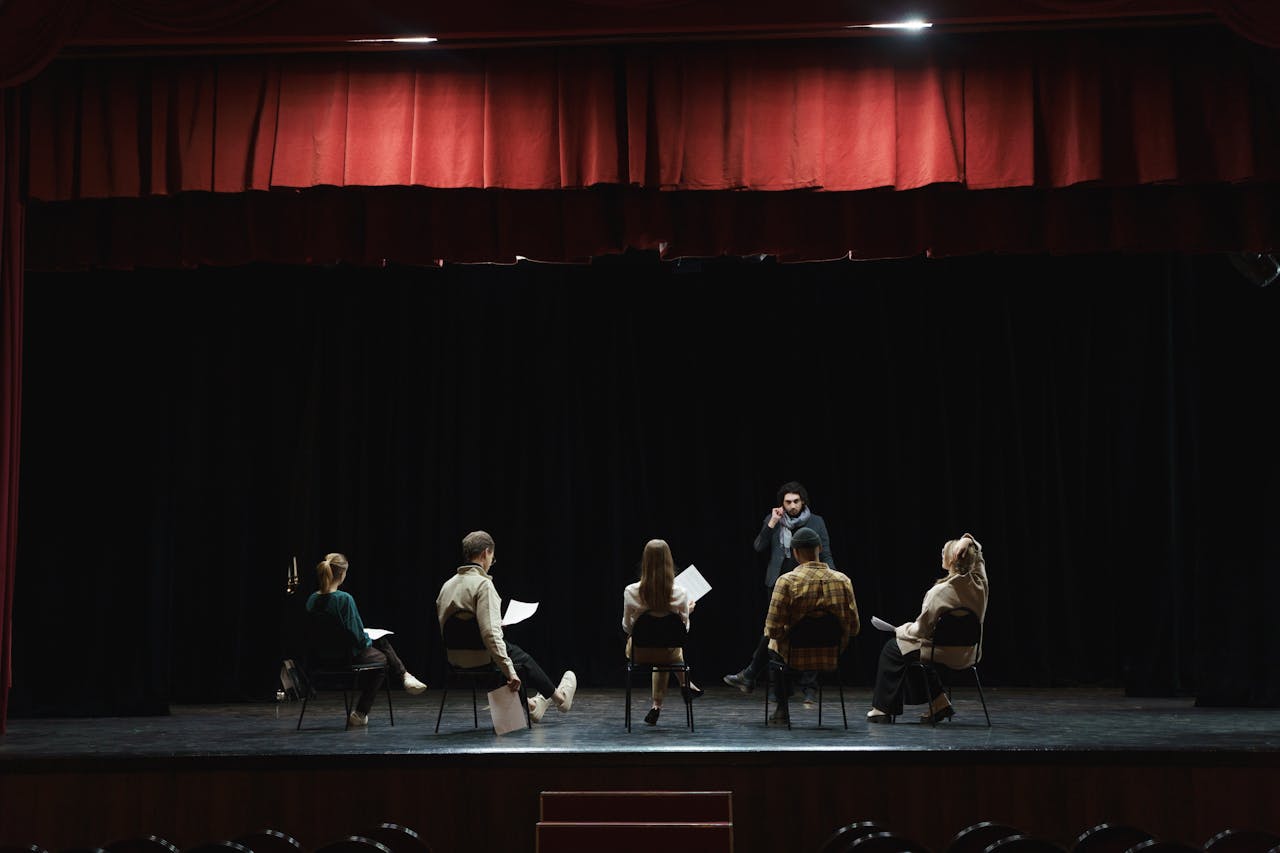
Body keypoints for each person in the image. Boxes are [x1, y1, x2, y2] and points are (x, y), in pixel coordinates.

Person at [435, 530, 577, 723]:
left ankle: (532, 706)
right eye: (492, 557)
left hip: (454, 660)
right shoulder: (483, 585)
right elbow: (490, 635)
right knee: (518, 658)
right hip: (482, 657)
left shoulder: (447, 586)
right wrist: (510, 671)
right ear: (486, 553)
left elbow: (453, 626)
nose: (491, 563)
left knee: (505, 653)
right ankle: (560, 699)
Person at [724, 480, 835, 704]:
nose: (792, 506)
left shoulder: (816, 522)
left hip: (809, 582)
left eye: (796, 501)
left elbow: (826, 552)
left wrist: (832, 576)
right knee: (776, 632)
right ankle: (777, 687)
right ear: (781, 504)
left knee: (808, 629)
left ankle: (807, 687)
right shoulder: (774, 520)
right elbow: (758, 546)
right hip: (778, 584)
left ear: (803, 502)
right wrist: (772, 523)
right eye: (788, 502)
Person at [867, 533, 988, 724]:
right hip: (970, 653)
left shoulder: (938, 592)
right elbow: (979, 556)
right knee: (909, 651)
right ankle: (940, 703)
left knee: (894, 648)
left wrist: (901, 629)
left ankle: (882, 709)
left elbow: (920, 631)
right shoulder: (980, 584)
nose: (941, 552)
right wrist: (968, 540)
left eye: (945, 551)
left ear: (953, 558)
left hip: (941, 652)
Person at [305, 552, 428, 728]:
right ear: (342, 574)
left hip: (320, 657)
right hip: (345, 657)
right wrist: (369, 638)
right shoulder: (344, 599)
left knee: (379, 641)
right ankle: (361, 712)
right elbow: (358, 640)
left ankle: (405, 675)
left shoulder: (311, 600)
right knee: (382, 658)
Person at [758, 525, 859, 724]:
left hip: (792, 657)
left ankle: (782, 708)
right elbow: (854, 627)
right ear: (820, 549)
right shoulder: (843, 580)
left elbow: (772, 629)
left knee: (772, 645)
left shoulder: (786, 581)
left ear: (795, 553)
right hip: (831, 656)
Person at [621, 538, 703, 726]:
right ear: (669, 561)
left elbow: (626, 627)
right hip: (669, 653)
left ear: (645, 561)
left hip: (638, 654)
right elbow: (684, 631)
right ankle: (685, 684)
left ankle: (657, 706)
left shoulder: (631, 591)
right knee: (669, 649)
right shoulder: (681, 593)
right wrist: (687, 613)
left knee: (660, 646)